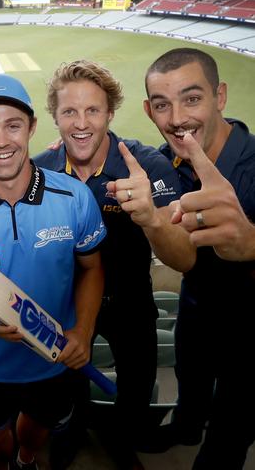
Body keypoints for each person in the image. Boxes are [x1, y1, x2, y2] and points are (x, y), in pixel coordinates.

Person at [0, 74, 105, 470]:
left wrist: (83, 331)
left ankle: (26, 458)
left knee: (35, 432)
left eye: (12, 125)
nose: (2, 141)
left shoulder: (74, 197)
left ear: (31, 127)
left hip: (54, 359)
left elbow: (92, 268)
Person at [33, 60, 193, 469]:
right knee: (68, 381)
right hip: (67, 305)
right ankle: (72, 431)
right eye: (70, 111)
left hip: (131, 302)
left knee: (137, 385)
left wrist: (153, 217)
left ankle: (124, 440)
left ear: (110, 113)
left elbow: (185, 256)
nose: (81, 123)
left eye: (93, 110)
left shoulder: (147, 168)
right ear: (55, 116)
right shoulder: (41, 170)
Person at [142, 47, 255, 469]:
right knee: (190, 382)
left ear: (220, 96)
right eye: (162, 105)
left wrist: (252, 244)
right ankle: (186, 427)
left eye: (192, 99)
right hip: (196, 308)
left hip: (249, 332)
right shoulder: (166, 161)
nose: (177, 119)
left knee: (229, 432)